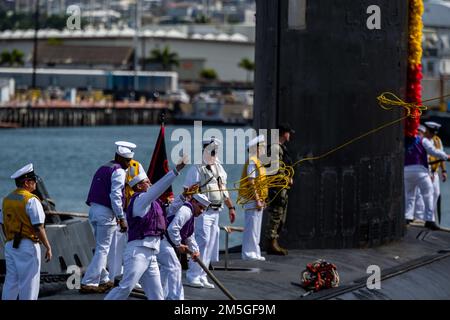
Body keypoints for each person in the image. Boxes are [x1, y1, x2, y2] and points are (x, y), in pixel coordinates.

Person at [105, 158, 186, 300]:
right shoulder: (140, 200)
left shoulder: (153, 204)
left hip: (151, 253)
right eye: (147, 182)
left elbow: (170, 210)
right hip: (138, 252)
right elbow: (158, 188)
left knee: (157, 296)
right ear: (139, 186)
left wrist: (184, 196)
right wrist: (176, 170)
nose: (150, 183)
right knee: (125, 288)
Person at [80, 141, 135, 293]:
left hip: (94, 210)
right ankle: (89, 281)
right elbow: (116, 196)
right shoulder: (119, 171)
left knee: (101, 248)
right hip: (106, 214)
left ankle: (104, 279)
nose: (128, 164)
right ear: (120, 158)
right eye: (127, 161)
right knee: (103, 249)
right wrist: (121, 217)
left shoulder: (103, 167)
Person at [184, 137, 236, 289]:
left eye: (215, 152)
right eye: (211, 151)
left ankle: (203, 274)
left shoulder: (219, 168)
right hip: (202, 212)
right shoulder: (197, 169)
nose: (213, 154)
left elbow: (223, 190)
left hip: (216, 211)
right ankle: (193, 275)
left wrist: (231, 207)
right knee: (201, 242)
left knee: (210, 244)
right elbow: (188, 191)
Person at [1, 163, 52, 300]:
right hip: (27, 245)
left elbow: (2, 223)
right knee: (30, 283)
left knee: (11, 282)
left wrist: (9, 238)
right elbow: (38, 227)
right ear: (27, 182)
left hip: (10, 244)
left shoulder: (6, 200)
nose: (35, 182)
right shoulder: (31, 200)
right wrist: (47, 246)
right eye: (33, 180)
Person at [158, 192, 211, 300]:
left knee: (166, 268)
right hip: (162, 240)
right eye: (200, 207)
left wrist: (195, 250)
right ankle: (176, 298)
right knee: (175, 267)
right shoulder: (186, 211)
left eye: (204, 209)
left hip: (167, 241)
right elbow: (172, 229)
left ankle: (161, 296)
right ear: (193, 202)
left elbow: (189, 235)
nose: (201, 211)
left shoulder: (190, 213)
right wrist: (178, 244)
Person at [106, 160, 146, 284]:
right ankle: (114, 278)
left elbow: (146, 183)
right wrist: (118, 215)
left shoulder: (137, 166)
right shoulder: (115, 169)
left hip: (133, 211)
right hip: (121, 212)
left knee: (134, 246)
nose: (128, 161)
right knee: (116, 248)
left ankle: (133, 277)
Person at [404, 127, 450, 230]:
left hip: (406, 170)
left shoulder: (404, 140)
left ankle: (407, 217)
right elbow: (433, 151)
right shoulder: (423, 140)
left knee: (409, 195)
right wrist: (447, 157)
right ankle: (429, 220)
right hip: (420, 170)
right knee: (429, 193)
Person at [264, 123, 295, 255]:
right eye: (288, 132)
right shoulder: (276, 148)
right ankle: (271, 244)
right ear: (284, 133)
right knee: (276, 215)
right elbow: (275, 169)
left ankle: (274, 242)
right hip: (277, 188)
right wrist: (286, 178)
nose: (290, 135)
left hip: (280, 188)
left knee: (280, 216)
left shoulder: (280, 148)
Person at [239, 135, 268, 261]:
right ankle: (248, 253)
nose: (263, 149)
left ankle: (255, 252)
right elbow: (251, 181)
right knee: (251, 227)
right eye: (261, 146)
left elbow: (261, 182)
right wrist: (257, 199)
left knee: (256, 228)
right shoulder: (252, 161)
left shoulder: (258, 162)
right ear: (255, 148)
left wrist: (263, 199)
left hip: (258, 199)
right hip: (252, 199)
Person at [424, 121, 447, 224]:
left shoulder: (437, 140)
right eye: (433, 132)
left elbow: (441, 155)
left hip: (435, 172)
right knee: (426, 195)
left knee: (436, 194)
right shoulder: (424, 141)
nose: (434, 134)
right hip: (426, 171)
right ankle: (426, 218)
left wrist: (444, 170)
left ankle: (430, 217)